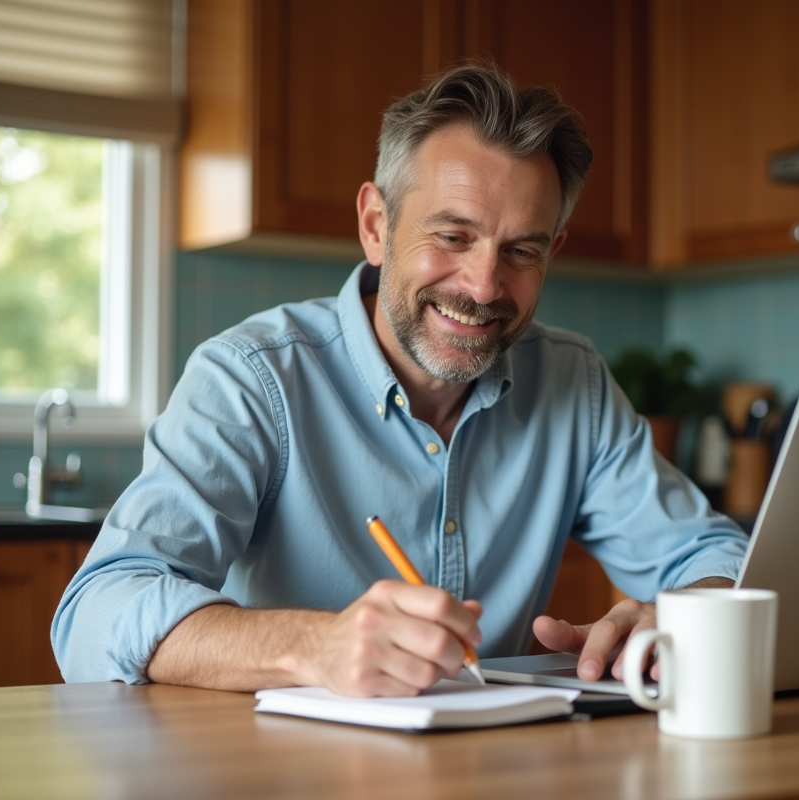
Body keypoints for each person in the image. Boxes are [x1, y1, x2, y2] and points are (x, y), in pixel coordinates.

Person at [52, 63, 748, 697]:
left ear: (553, 252)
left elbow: (712, 555)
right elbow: (98, 609)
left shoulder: (575, 383)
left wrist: (683, 615)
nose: (482, 285)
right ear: (376, 225)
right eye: (451, 236)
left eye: (521, 250)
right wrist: (312, 647)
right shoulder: (250, 379)